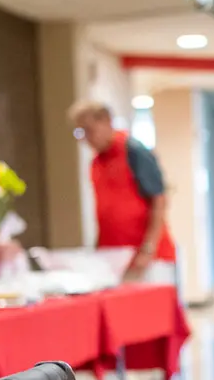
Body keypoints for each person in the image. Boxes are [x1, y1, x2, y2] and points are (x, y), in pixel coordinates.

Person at [69, 102, 174, 283]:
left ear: (107, 121)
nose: (87, 139)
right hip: (114, 258)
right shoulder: (96, 163)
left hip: (147, 256)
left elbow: (159, 199)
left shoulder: (134, 151)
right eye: (80, 133)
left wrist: (147, 249)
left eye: (89, 130)